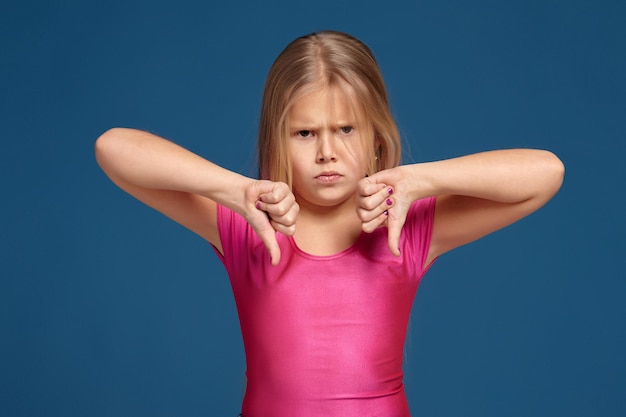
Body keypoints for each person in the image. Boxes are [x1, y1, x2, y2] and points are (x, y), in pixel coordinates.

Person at [95, 30, 564, 417]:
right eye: (304, 133)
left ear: (377, 138)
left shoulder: (406, 227)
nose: (327, 152)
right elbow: (114, 149)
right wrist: (233, 190)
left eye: (346, 129)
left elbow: (545, 173)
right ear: (277, 139)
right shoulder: (249, 227)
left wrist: (420, 178)